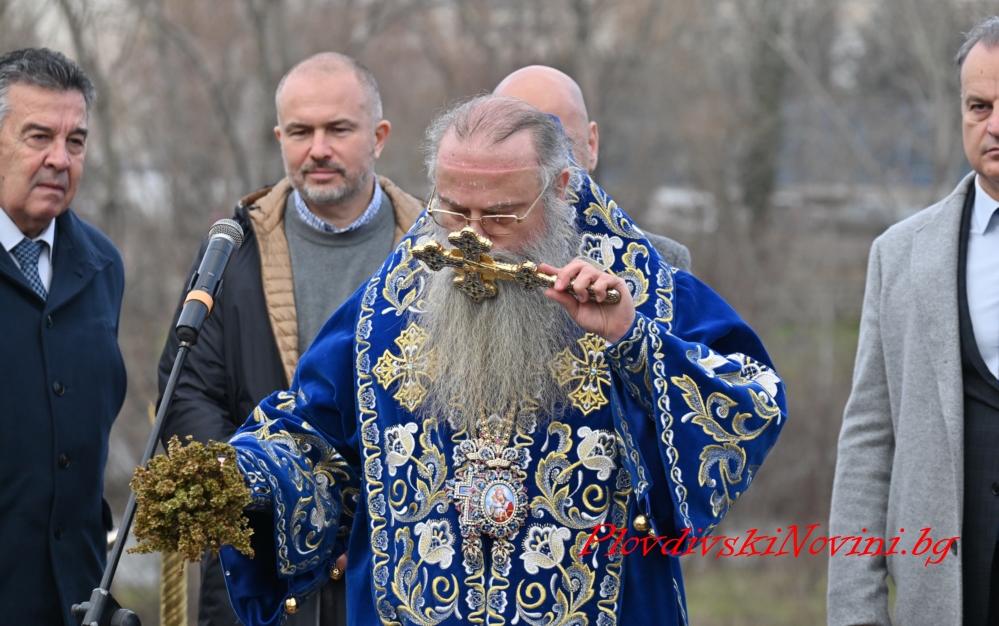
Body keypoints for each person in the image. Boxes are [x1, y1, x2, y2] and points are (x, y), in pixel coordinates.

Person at [216, 94, 786, 625]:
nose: (471, 241)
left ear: (560, 187)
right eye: (453, 211)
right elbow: (313, 437)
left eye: (500, 216)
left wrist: (632, 340)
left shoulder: (645, 292)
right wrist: (242, 476)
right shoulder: (384, 310)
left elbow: (753, 402)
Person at [157, 52, 422, 626]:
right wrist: (274, 503)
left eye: (338, 129)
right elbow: (186, 396)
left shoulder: (430, 254)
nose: (317, 148)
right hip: (259, 575)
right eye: (301, 131)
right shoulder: (232, 247)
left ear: (378, 136)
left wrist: (369, 527)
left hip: (393, 571)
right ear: (280, 137)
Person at [828, 12, 999, 625]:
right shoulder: (900, 255)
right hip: (949, 596)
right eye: (979, 105)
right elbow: (869, 438)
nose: (998, 124)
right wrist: (855, 610)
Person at [0, 48, 126, 625]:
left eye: (75, 141)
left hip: (75, 602)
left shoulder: (102, 266)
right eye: (38, 137)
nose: (59, 159)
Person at [494, 64, 692, 272]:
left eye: (560, 145)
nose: (542, 171)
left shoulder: (660, 263)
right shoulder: (465, 249)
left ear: (592, 145)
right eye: (514, 151)